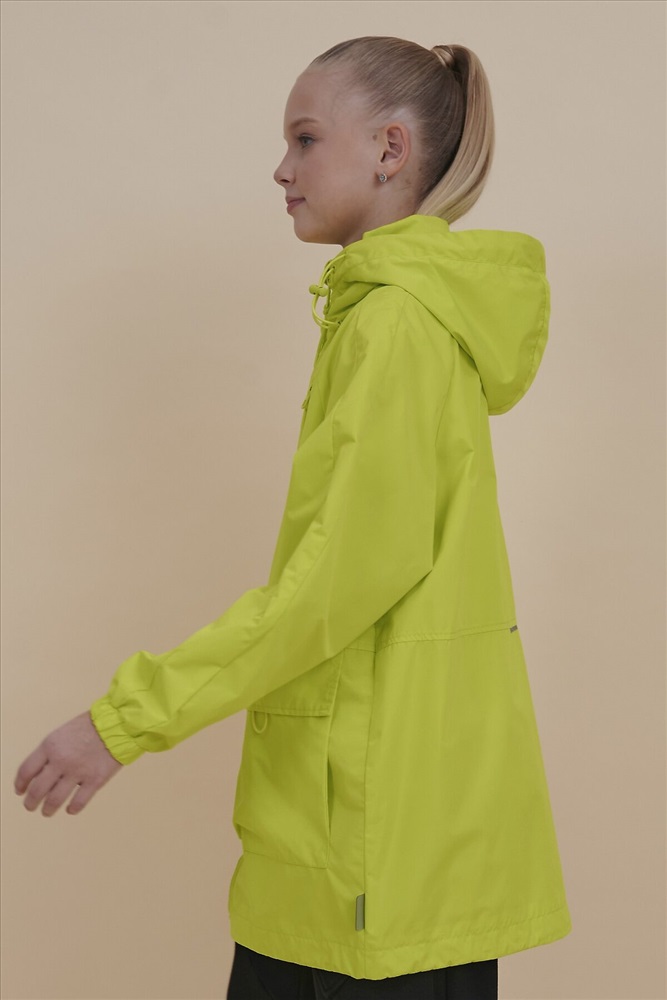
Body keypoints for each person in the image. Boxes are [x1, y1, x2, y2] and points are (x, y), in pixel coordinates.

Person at [13, 34, 572, 1000]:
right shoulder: (379, 315)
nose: (281, 168)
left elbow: (335, 583)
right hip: (345, 840)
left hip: (376, 848)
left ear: (390, 150)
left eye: (305, 139)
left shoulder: (396, 325)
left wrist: (121, 723)